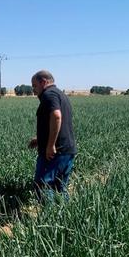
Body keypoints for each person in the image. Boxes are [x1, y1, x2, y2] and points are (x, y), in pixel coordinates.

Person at [28, 70, 77, 201]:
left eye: (34, 86)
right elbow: (59, 123)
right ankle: (65, 218)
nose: (33, 90)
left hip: (56, 153)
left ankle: (49, 218)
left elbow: (56, 117)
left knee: (43, 185)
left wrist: (50, 145)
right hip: (67, 150)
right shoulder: (61, 94)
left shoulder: (49, 95)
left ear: (43, 82)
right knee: (60, 188)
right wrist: (40, 139)